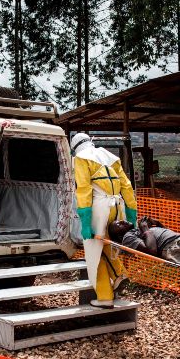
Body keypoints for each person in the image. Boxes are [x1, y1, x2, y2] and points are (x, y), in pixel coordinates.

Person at [72, 132, 137, 308]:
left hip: (99, 207)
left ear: (75, 148)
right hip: (117, 205)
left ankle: (104, 296)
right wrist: (132, 215)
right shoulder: (111, 157)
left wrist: (85, 222)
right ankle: (118, 274)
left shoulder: (80, 158)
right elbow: (127, 187)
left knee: (94, 253)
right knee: (108, 244)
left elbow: (84, 189)